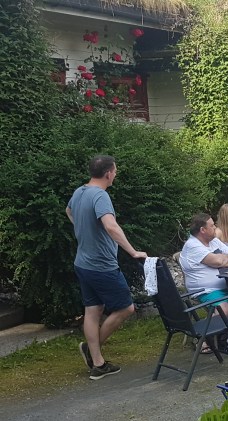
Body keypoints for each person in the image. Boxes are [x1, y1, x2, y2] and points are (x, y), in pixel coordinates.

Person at [66, 154, 148, 380]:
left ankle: (98, 363)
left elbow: (69, 211)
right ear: (108, 173)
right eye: (115, 171)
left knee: (93, 310)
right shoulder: (100, 196)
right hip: (102, 266)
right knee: (126, 308)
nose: (115, 175)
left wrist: (84, 229)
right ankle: (93, 352)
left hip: (82, 264)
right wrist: (133, 251)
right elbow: (111, 226)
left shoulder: (80, 191)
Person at [179, 213, 228, 352]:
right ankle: (202, 339)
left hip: (227, 284)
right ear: (203, 230)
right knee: (224, 308)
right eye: (212, 226)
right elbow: (218, 261)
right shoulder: (193, 246)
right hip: (205, 290)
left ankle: (226, 327)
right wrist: (222, 259)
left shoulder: (213, 241)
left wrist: (220, 260)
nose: (215, 228)